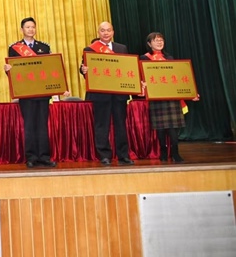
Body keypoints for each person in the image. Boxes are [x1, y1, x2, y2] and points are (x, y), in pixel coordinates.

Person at [4, 17, 59, 168]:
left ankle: (44, 156)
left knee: (42, 125)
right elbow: (13, 72)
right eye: (27, 27)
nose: (30, 29)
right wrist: (8, 70)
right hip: (26, 93)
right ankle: (31, 157)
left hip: (42, 93)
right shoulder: (14, 48)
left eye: (33, 27)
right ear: (22, 30)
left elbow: (50, 68)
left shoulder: (44, 47)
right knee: (29, 125)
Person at [81, 22, 134, 166]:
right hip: (100, 95)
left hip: (119, 94)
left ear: (113, 32)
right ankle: (104, 155)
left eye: (108, 30)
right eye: (103, 30)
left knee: (120, 125)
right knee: (101, 126)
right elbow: (85, 69)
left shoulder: (121, 48)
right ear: (98, 32)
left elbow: (127, 68)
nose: (106, 33)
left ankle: (123, 155)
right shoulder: (90, 49)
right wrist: (83, 69)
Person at [140, 32, 198, 163]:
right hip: (156, 97)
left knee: (173, 127)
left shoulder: (169, 57)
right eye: (156, 40)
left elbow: (176, 77)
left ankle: (175, 153)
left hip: (171, 97)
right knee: (160, 128)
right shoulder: (144, 58)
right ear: (149, 44)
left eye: (161, 40)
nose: (159, 42)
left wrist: (191, 92)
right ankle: (163, 151)